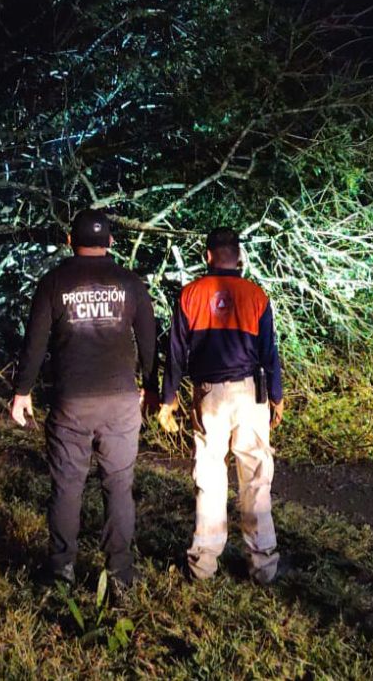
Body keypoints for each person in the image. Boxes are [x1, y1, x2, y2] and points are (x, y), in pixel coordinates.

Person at [9, 209, 158, 595]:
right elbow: (148, 340)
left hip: (72, 401)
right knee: (119, 486)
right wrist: (153, 386)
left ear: (69, 241)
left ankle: (61, 572)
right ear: (110, 242)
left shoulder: (54, 282)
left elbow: (35, 343)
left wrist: (21, 391)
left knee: (67, 487)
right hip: (121, 402)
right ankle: (121, 575)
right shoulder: (130, 282)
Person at [157, 227, 284, 585]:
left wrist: (168, 400)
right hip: (250, 394)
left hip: (209, 394)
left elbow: (176, 355)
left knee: (210, 477)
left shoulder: (190, 295)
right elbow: (270, 353)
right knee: (256, 479)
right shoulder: (256, 295)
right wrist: (276, 395)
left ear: (208, 255)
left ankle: (203, 566)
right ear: (239, 256)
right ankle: (263, 566)